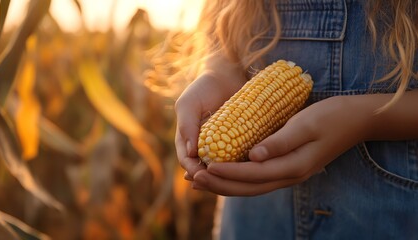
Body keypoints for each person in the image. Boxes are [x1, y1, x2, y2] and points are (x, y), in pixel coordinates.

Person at [174, 0, 418, 239]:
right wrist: (219, 72)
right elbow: (221, 16)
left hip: (384, 210)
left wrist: (366, 119)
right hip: (255, 214)